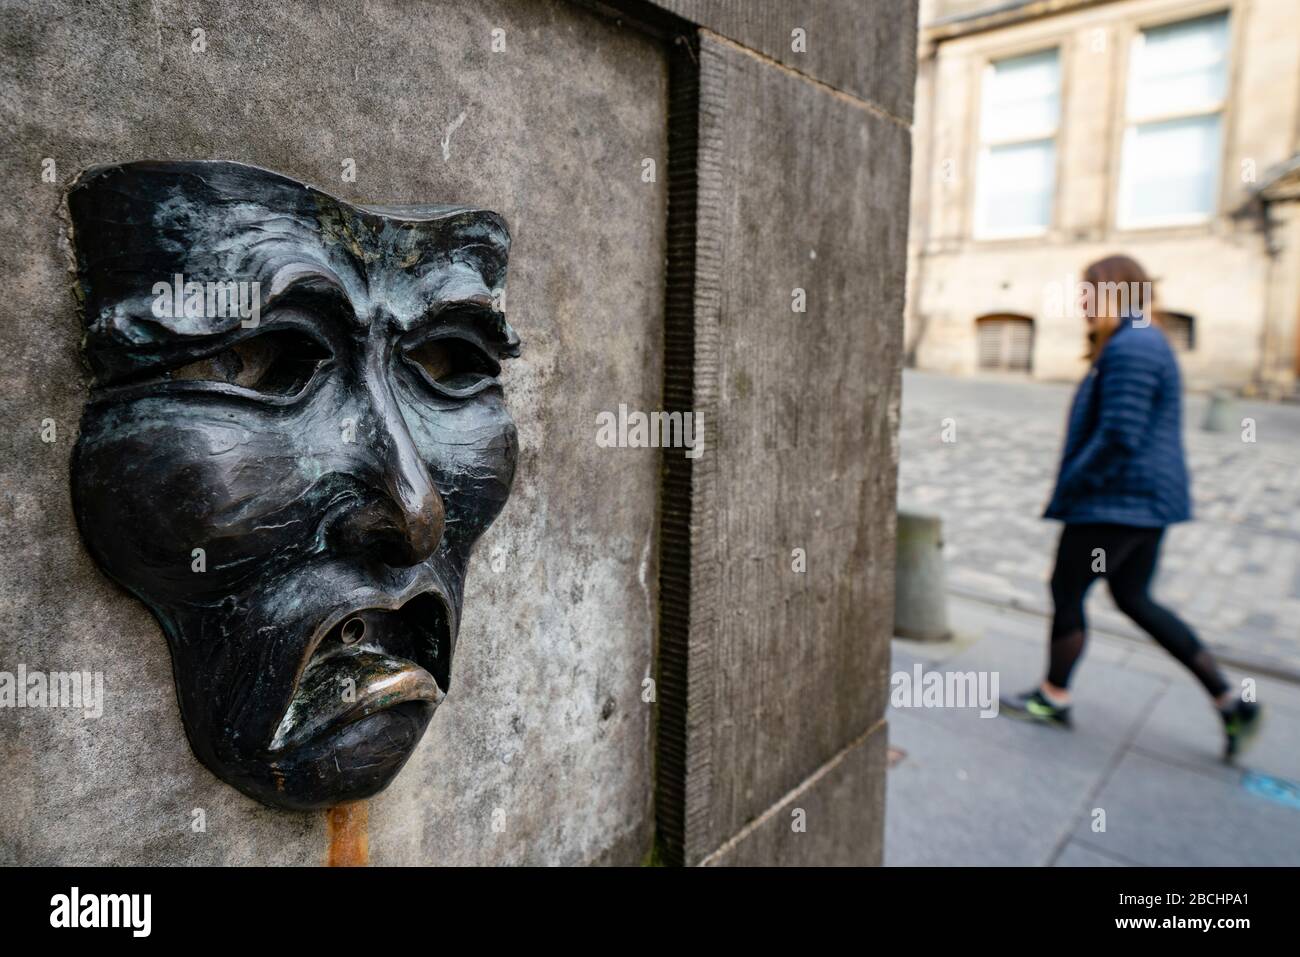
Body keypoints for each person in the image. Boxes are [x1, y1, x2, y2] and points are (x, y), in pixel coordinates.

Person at [1001, 255, 1262, 759]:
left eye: (1088, 291)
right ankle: (1232, 703)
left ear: (1116, 292)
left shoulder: (1133, 345)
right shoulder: (1136, 339)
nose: (1081, 301)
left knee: (1067, 587)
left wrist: (1074, 484)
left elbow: (1120, 434)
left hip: (1117, 502)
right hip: (1140, 501)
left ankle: (1053, 696)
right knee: (1133, 597)